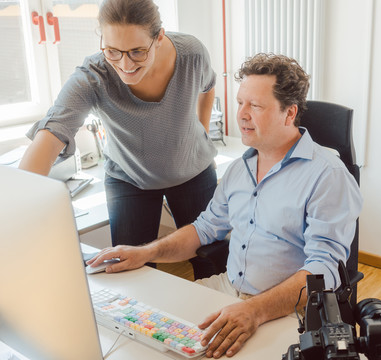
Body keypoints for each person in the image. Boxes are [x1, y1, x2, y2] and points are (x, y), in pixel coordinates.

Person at [87, 53, 363, 358]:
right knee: (144, 340)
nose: (241, 115)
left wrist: (255, 311)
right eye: (240, 102)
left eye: (255, 106)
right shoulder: (238, 169)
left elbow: (324, 270)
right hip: (226, 290)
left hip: (288, 312)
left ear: (289, 113)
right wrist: (146, 252)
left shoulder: (328, 176)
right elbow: (205, 229)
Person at [18, 0, 218, 278]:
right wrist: (16, 210)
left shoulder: (191, 53)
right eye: (112, 51)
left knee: (213, 261)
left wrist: (203, 132)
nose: (125, 64)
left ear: (159, 36)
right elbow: (51, 135)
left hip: (193, 172)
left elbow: (207, 87)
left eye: (137, 51)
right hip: (129, 179)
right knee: (131, 271)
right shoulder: (93, 76)